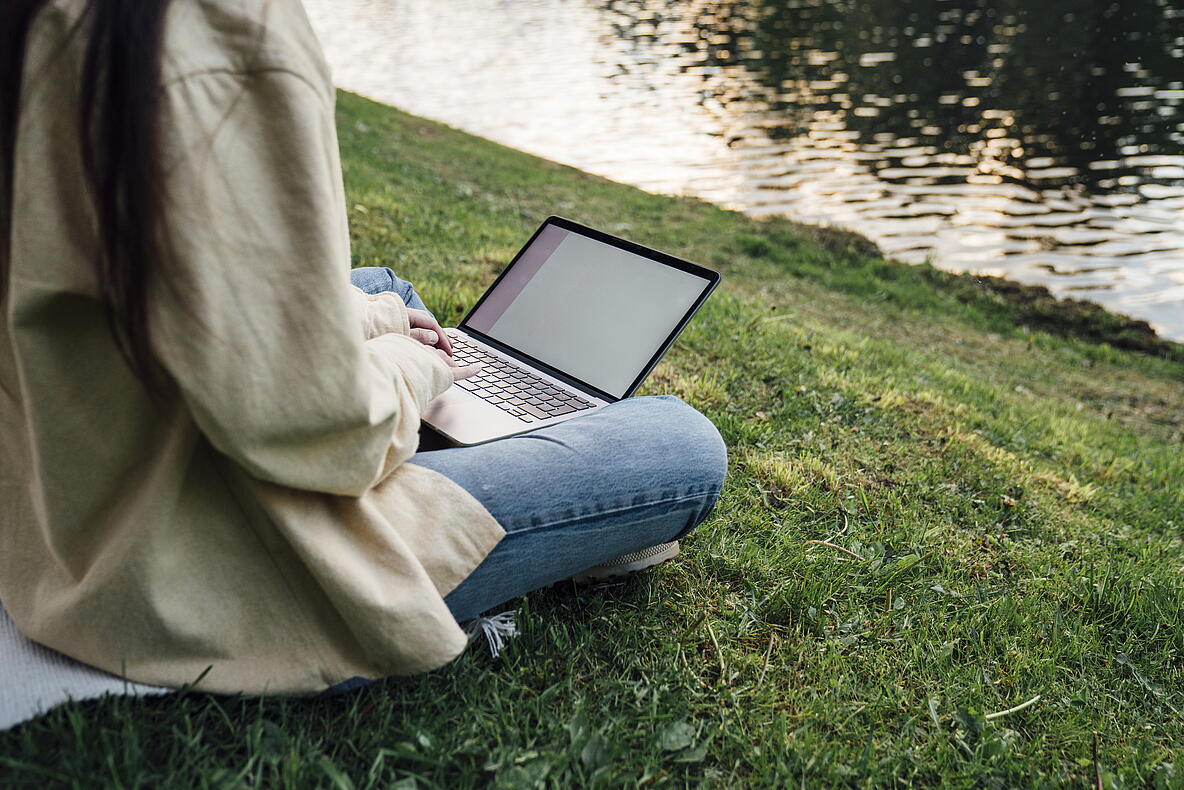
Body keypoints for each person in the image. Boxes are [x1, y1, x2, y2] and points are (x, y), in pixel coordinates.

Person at [0, 0, 727, 695]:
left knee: (386, 291)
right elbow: (320, 430)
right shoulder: (214, 39)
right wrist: (419, 370)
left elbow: (193, 275)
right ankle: (479, 452)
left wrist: (376, 322)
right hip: (194, 561)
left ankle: (467, 418)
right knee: (682, 444)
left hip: (66, 485)